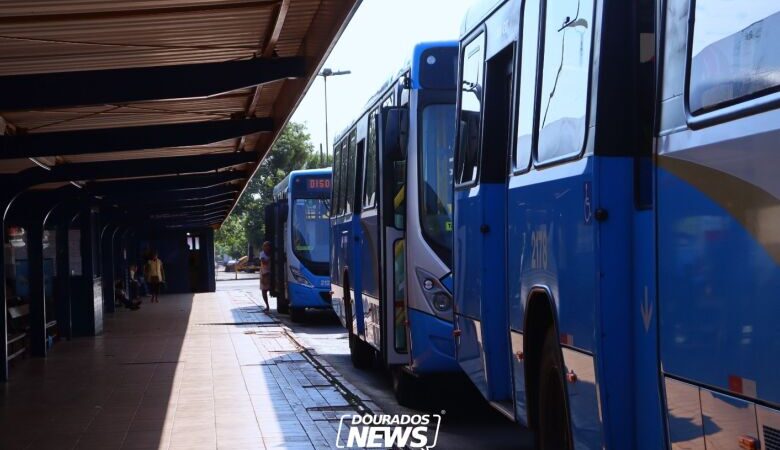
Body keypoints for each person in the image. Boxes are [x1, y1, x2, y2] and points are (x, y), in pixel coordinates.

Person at [259, 241, 272, 311]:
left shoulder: (272, 253)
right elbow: (264, 262)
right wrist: (270, 259)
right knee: (264, 290)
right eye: (265, 246)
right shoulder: (262, 254)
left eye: (268, 246)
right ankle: (267, 306)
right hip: (264, 274)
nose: (266, 247)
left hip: (271, 274)